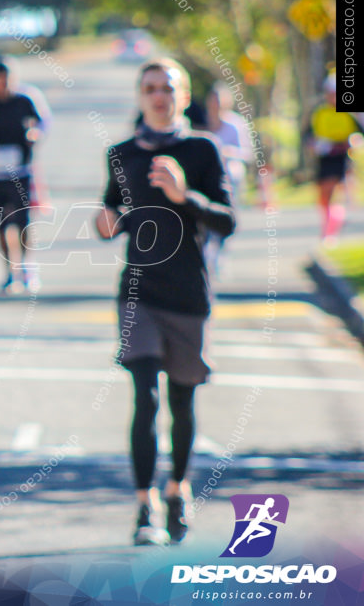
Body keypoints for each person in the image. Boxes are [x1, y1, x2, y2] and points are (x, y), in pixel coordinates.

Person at [95, 58, 235, 546]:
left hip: (189, 294)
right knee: (145, 397)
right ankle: (143, 506)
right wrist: (105, 222)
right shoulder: (121, 153)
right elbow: (114, 212)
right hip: (139, 294)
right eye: (150, 87)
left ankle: (177, 489)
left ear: (182, 95)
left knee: (181, 399)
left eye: (167, 88)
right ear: (140, 96)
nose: (159, 95)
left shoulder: (203, 149)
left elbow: (227, 220)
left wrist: (184, 194)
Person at [0, 60, 51, 294]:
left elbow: (44, 123)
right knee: (0, 227)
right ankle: (9, 273)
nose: (3, 84)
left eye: (8, 79)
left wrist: (35, 133)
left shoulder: (25, 101)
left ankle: (28, 268)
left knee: (22, 222)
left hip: (21, 173)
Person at [203, 82, 253, 274]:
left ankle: (219, 253)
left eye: (220, 101)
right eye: (213, 101)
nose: (216, 105)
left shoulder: (236, 124)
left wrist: (227, 152)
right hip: (206, 177)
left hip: (230, 177)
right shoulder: (203, 122)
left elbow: (247, 153)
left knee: (225, 216)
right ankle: (207, 252)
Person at [308, 73, 359, 243]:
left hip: (342, 158)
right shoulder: (320, 112)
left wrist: (350, 143)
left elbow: (358, 135)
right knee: (324, 195)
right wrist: (315, 145)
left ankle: (332, 231)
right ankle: (328, 225)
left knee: (337, 193)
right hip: (324, 158)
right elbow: (308, 135)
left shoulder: (351, 114)